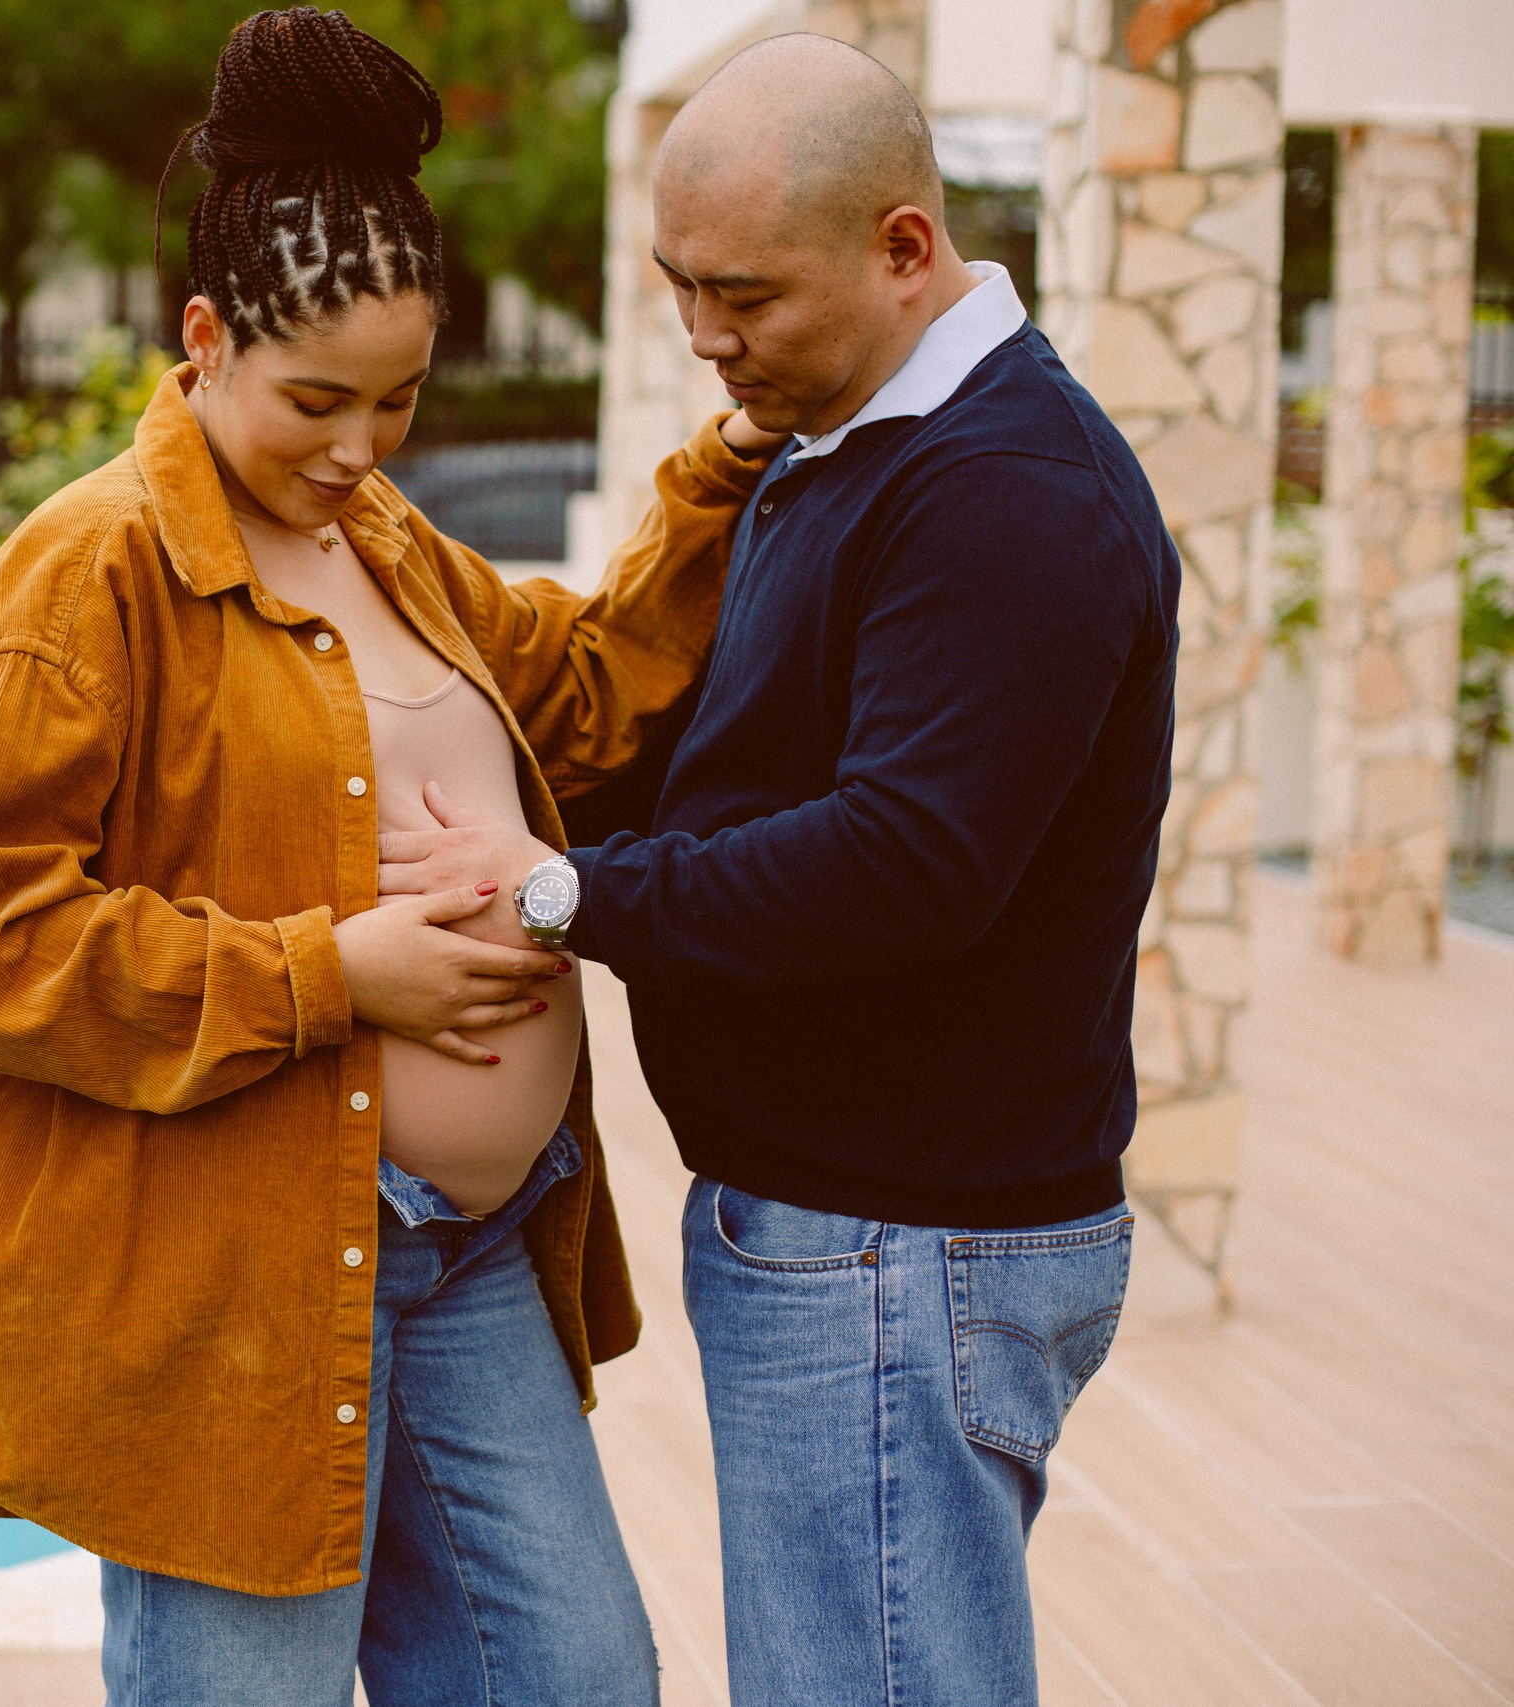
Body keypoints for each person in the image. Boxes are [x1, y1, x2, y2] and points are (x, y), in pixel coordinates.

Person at [0, 10, 779, 1703]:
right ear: (205, 339)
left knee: (576, 1683)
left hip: (471, 1250)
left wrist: (721, 475)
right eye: (317, 401)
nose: (359, 448)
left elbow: (577, 692)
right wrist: (331, 974)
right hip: (238, 1281)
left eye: (399, 400)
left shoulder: (382, 534)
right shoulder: (86, 575)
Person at [375, 33, 1176, 1707]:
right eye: (682, 285)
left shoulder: (1005, 491)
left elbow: (906, 862)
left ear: (904, 248)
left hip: (902, 1243)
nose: (703, 335)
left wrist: (563, 892)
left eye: (744, 294)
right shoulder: (849, 439)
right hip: (855, 1235)